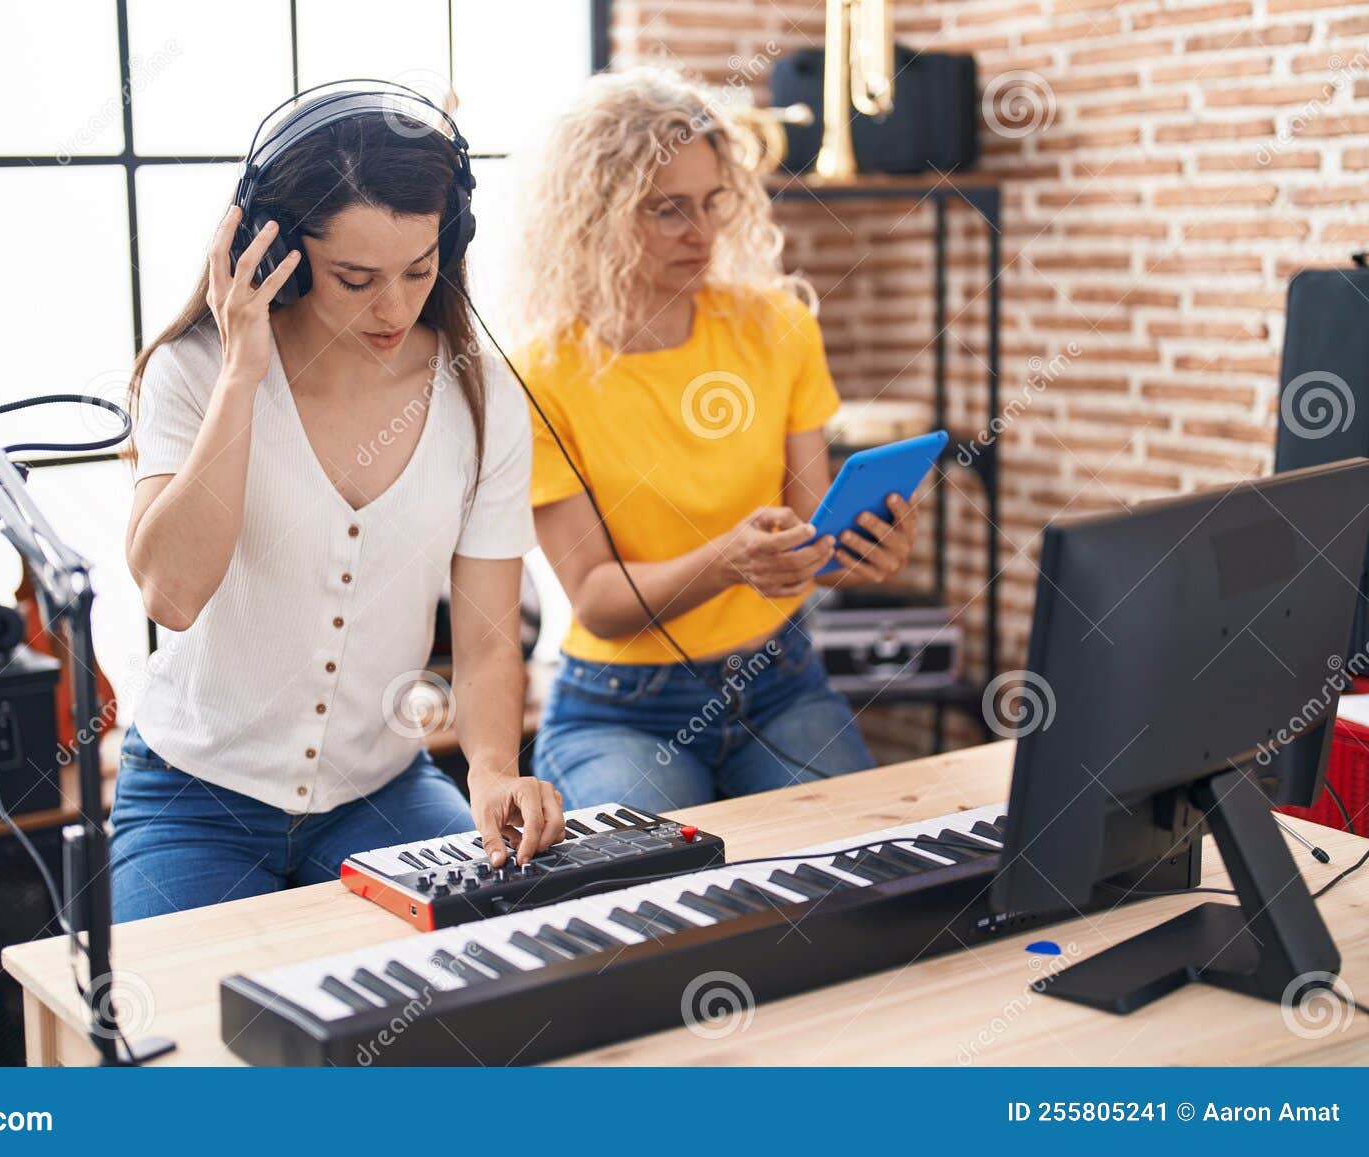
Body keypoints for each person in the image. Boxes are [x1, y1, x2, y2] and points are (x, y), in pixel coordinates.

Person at [112, 88, 564, 922]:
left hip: (379, 795)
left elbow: (489, 636)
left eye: (419, 270)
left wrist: (494, 768)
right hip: (193, 799)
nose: (394, 308)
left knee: (507, 948)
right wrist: (243, 374)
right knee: (175, 1034)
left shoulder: (486, 396)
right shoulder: (196, 370)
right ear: (270, 250)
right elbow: (170, 596)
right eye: (357, 278)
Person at [511, 68, 920, 814]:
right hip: (620, 706)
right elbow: (600, 602)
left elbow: (805, 542)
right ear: (595, 216)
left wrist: (860, 552)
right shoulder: (542, 373)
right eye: (667, 210)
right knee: (659, 907)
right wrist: (726, 561)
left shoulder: (779, 327)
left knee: (870, 866)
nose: (701, 233)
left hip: (781, 678)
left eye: (711, 202)